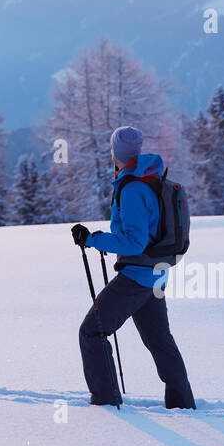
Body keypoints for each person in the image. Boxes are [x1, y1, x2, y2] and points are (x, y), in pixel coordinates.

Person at [72, 124, 196, 409]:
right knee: (160, 341)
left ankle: (105, 402)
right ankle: (182, 403)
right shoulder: (151, 178)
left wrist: (93, 239)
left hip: (137, 277)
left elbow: (135, 242)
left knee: (91, 332)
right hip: (156, 274)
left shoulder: (132, 188)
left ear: (115, 152)